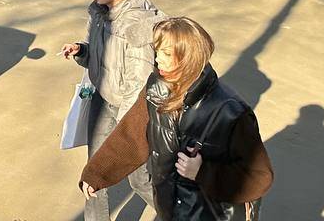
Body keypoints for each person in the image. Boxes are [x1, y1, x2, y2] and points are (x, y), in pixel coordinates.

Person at [81, 17, 273, 220]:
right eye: (157, 51)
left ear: (189, 57)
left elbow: (259, 177)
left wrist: (203, 172)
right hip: (171, 210)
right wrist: (97, 173)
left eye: (166, 53)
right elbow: (131, 136)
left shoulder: (230, 112)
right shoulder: (156, 89)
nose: (158, 60)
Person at [61, 0, 161, 221]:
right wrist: (81, 50)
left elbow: (138, 83)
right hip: (102, 99)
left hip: (129, 111)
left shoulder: (135, 25)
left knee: (139, 179)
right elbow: (96, 54)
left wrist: (126, 130)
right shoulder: (98, 13)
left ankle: (183, 213)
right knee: (93, 172)